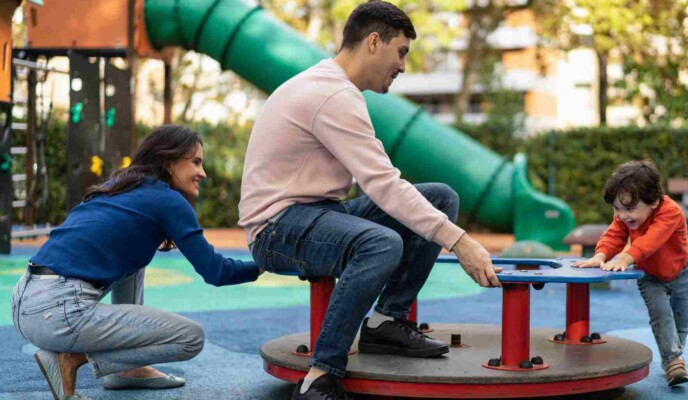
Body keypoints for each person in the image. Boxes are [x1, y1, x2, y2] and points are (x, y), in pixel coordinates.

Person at [238, 1, 501, 398]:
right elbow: (383, 184)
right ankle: (321, 375)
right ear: (374, 42)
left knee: (440, 198)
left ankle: (385, 322)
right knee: (380, 242)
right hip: (276, 228)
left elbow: (385, 186)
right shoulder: (331, 94)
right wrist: (460, 241)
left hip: (319, 212)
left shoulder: (335, 88)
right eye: (401, 52)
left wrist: (449, 232)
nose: (403, 66)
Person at [10, 125, 263, 400]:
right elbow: (216, 271)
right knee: (190, 338)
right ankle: (72, 359)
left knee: (136, 255)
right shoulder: (168, 201)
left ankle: (127, 370)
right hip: (59, 313)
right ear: (169, 162)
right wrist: (266, 263)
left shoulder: (119, 186)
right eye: (196, 162)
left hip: (25, 301)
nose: (202, 173)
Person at [572, 160, 688, 387]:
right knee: (661, 315)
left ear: (654, 201)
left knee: (682, 320)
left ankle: (673, 354)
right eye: (617, 208)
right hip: (649, 276)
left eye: (628, 209)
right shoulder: (624, 217)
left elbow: (651, 241)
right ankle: (673, 360)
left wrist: (625, 258)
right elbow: (614, 235)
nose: (622, 215)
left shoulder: (671, 213)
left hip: (681, 273)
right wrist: (600, 256)